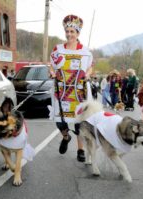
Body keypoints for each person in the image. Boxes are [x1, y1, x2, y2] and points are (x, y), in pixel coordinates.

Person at [49, 14, 93, 162]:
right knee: (60, 120)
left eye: (72, 32)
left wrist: (87, 74)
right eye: (67, 31)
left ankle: (80, 149)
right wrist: (52, 72)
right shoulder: (58, 49)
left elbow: (90, 68)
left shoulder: (85, 51)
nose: (69, 34)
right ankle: (66, 137)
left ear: (78, 33)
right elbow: (52, 65)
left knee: (79, 121)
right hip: (61, 90)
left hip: (78, 90)